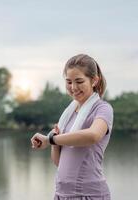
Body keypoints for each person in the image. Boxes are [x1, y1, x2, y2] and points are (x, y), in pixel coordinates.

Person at [30, 54, 113, 200]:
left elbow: (93, 135)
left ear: (94, 80)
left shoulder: (103, 109)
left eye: (79, 81)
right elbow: (59, 162)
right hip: (62, 193)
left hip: (89, 194)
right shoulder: (68, 115)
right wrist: (53, 141)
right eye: (68, 82)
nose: (73, 87)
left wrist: (51, 139)